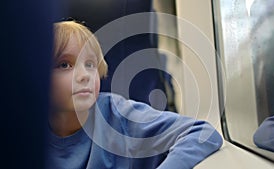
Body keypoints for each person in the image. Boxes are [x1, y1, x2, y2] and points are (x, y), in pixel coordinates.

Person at [46, 20, 223, 169]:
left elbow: (201, 132)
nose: (84, 75)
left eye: (90, 64)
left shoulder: (119, 116)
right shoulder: (23, 131)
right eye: (64, 65)